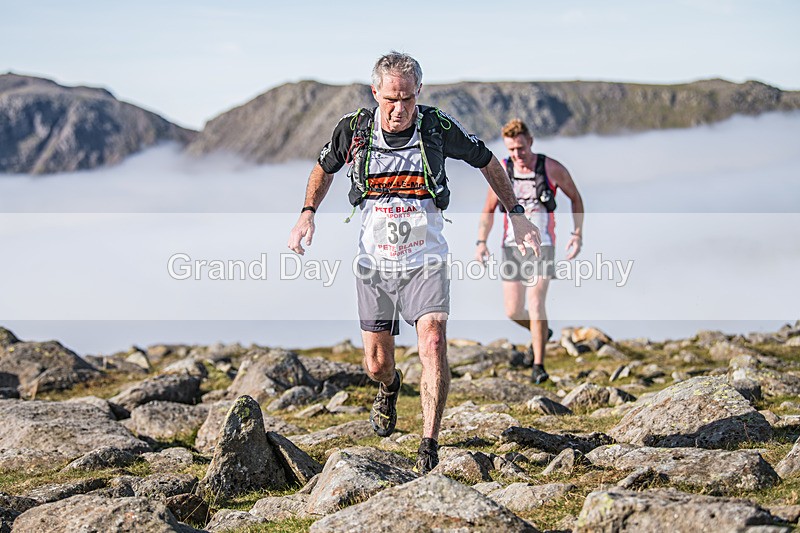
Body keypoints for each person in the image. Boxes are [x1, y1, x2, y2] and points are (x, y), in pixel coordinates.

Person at [288, 52, 541, 473]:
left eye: (407, 98)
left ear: (418, 93)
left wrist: (516, 215)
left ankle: (429, 444)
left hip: (426, 259)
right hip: (374, 263)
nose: (399, 109)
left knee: (434, 341)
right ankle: (389, 387)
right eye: (390, 99)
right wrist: (307, 211)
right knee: (376, 364)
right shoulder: (354, 129)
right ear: (375, 93)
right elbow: (323, 167)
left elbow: (488, 161)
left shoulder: (436, 127)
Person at [475, 119, 584, 384]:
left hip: (543, 244)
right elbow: (488, 210)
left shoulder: (551, 168)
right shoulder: (502, 170)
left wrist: (577, 233)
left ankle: (539, 365)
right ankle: (541, 332)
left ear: (531, 142)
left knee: (536, 304)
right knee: (513, 311)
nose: (517, 155)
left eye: (521, 149)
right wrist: (481, 242)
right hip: (511, 246)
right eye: (512, 150)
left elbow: (576, 198)